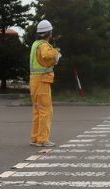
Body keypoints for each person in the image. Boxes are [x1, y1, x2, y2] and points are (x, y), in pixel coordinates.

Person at [29, 19, 62, 148]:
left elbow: (42, 60)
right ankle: (42, 139)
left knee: (37, 110)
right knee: (45, 110)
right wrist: (56, 52)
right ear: (49, 33)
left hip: (34, 80)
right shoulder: (43, 45)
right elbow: (46, 54)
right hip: (42, 81)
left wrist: (53, 60)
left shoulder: (35, 44)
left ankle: (35, 137)